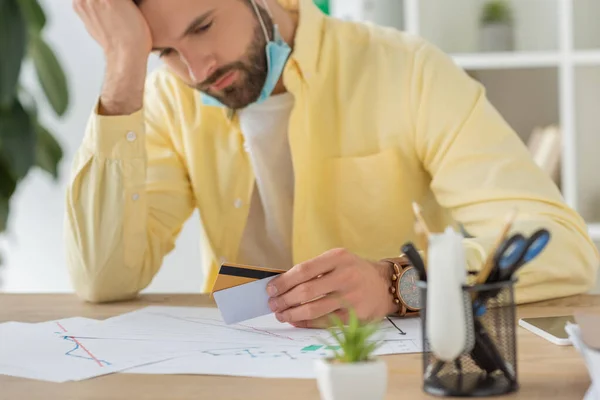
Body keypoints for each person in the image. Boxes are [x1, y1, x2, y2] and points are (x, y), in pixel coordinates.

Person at [66, 0, 598, 328]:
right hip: (237, 376)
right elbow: (102, 279)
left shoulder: (406, 71)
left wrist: (398, 285)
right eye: (165, 51)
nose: (198, 68)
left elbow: (566, 251)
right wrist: (122, 71)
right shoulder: (165, 100)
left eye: (203, 26)